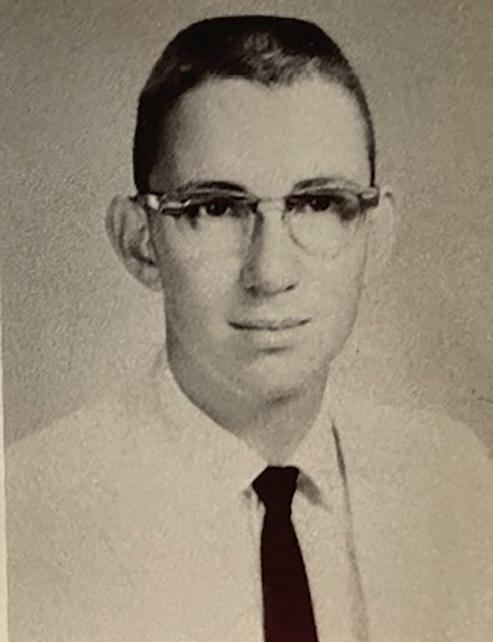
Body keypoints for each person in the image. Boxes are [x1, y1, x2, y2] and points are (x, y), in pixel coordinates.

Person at [6, 15, 493, 642]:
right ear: (139, 242)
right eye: (215, 208)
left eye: (318, 203)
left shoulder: (453, 479)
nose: (270, 272)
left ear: (374, 237)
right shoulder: (27, 513)